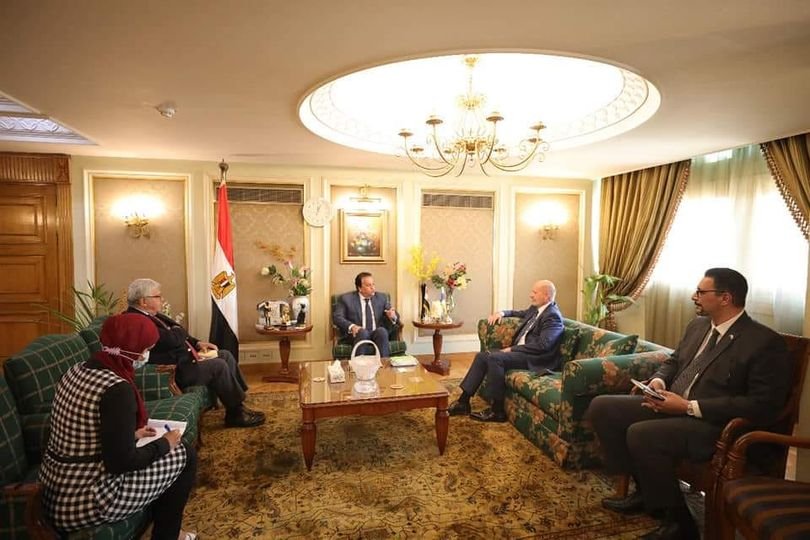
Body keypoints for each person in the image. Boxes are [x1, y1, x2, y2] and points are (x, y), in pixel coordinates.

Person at [587, 268, 790, 540]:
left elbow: (763, 405)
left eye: (701, 292)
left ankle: (680, 524)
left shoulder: (763, 342)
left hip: (715, 424)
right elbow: (673, 361)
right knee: (603, 408)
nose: (694, 296)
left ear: (725, 298)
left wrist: (688, 407)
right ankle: (646, 492)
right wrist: (659, 381)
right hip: (672, 404)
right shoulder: (698, 326)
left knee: (641, 434)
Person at [39, 314, 197, 540]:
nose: (145, 356)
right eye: (146, 349)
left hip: (54, 487)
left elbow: (87, 427)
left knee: (162, 451)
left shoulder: (75, 370)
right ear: (132, 350)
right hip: (88, 499)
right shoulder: (116, 389)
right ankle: (168, 536)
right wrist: (165, 443)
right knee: (184, 454)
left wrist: (131, 434)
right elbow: (122, 462)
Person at [126, 278, 265, 429]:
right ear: (143, 301)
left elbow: (178, 333)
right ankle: (235, 415)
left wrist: (197, 343)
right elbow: (173, 339)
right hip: (176, 370)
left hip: (185, 360)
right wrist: (178, 331)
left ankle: (239, 404)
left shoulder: (150, 315)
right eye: (158, 296)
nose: (162, 299)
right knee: (218, 366)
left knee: (225, 355)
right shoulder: (136, 320)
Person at [448, 279, 564, 422]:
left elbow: (543, 345)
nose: (531, 295)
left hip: (536, 358)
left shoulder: (552, 316)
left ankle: (497, 411)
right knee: (482, 356)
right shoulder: (537, 309)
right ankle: (463, 402)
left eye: (535, 292)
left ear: (546, 296)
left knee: (495, 358)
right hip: (522, 353)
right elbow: (520, 313)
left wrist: (512, 349)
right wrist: (502, 313)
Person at [333, 272, 399, 357]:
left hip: (376, 333)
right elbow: (337, 317)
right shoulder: (346, 299)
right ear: (360, 288)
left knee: (382, 331)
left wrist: (392, 316)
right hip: (357, 335)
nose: (372, 288)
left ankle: (383, 363)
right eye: (368, 285)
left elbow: (395, 315)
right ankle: (358, 363)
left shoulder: (381, 298)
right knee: (362, 332)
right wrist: (352, 326)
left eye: (373, 284)